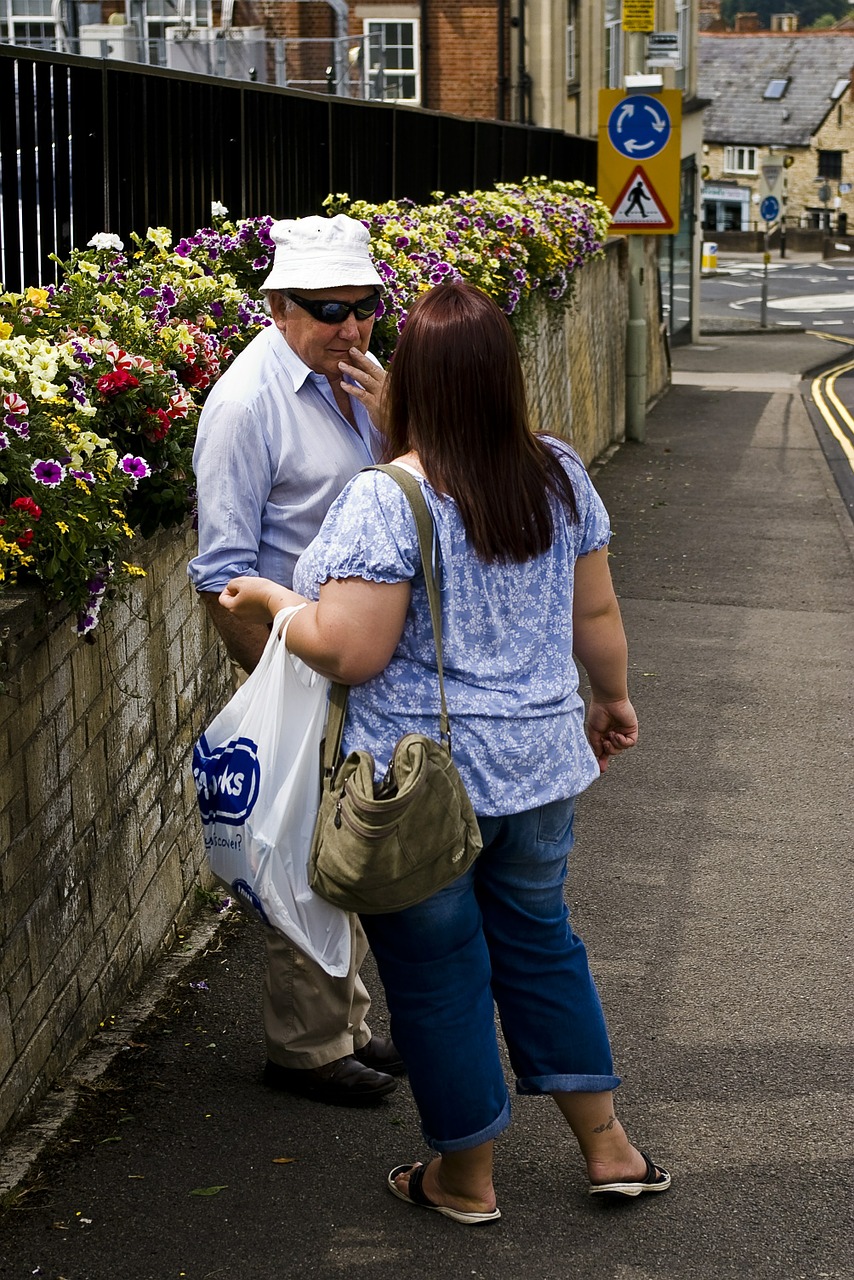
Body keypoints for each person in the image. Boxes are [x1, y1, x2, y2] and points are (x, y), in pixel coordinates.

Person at [218, 282, 671, 1221]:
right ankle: (611, 1148)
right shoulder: (556, 472)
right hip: (543, 772)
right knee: (544, 949)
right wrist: (614, 697)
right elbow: (596, 610)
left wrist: (269, 600)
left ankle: (464, 1180)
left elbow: (352, 648)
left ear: (410, 382)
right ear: (507, 380)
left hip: (422, 787)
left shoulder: (386, 499)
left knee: (442, 979)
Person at [188, 214, 405, 1106]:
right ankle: (306, 1049)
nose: (352, 328)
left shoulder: (355, 377)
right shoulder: (247, 406)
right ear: (277, 306)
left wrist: (395, 418)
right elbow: (220, 574)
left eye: (365, 307)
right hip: (296, 657)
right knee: (303, 853)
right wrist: (273, 687)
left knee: (345, 845)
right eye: (329, 309)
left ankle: (346, 1019)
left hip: (358, 652)